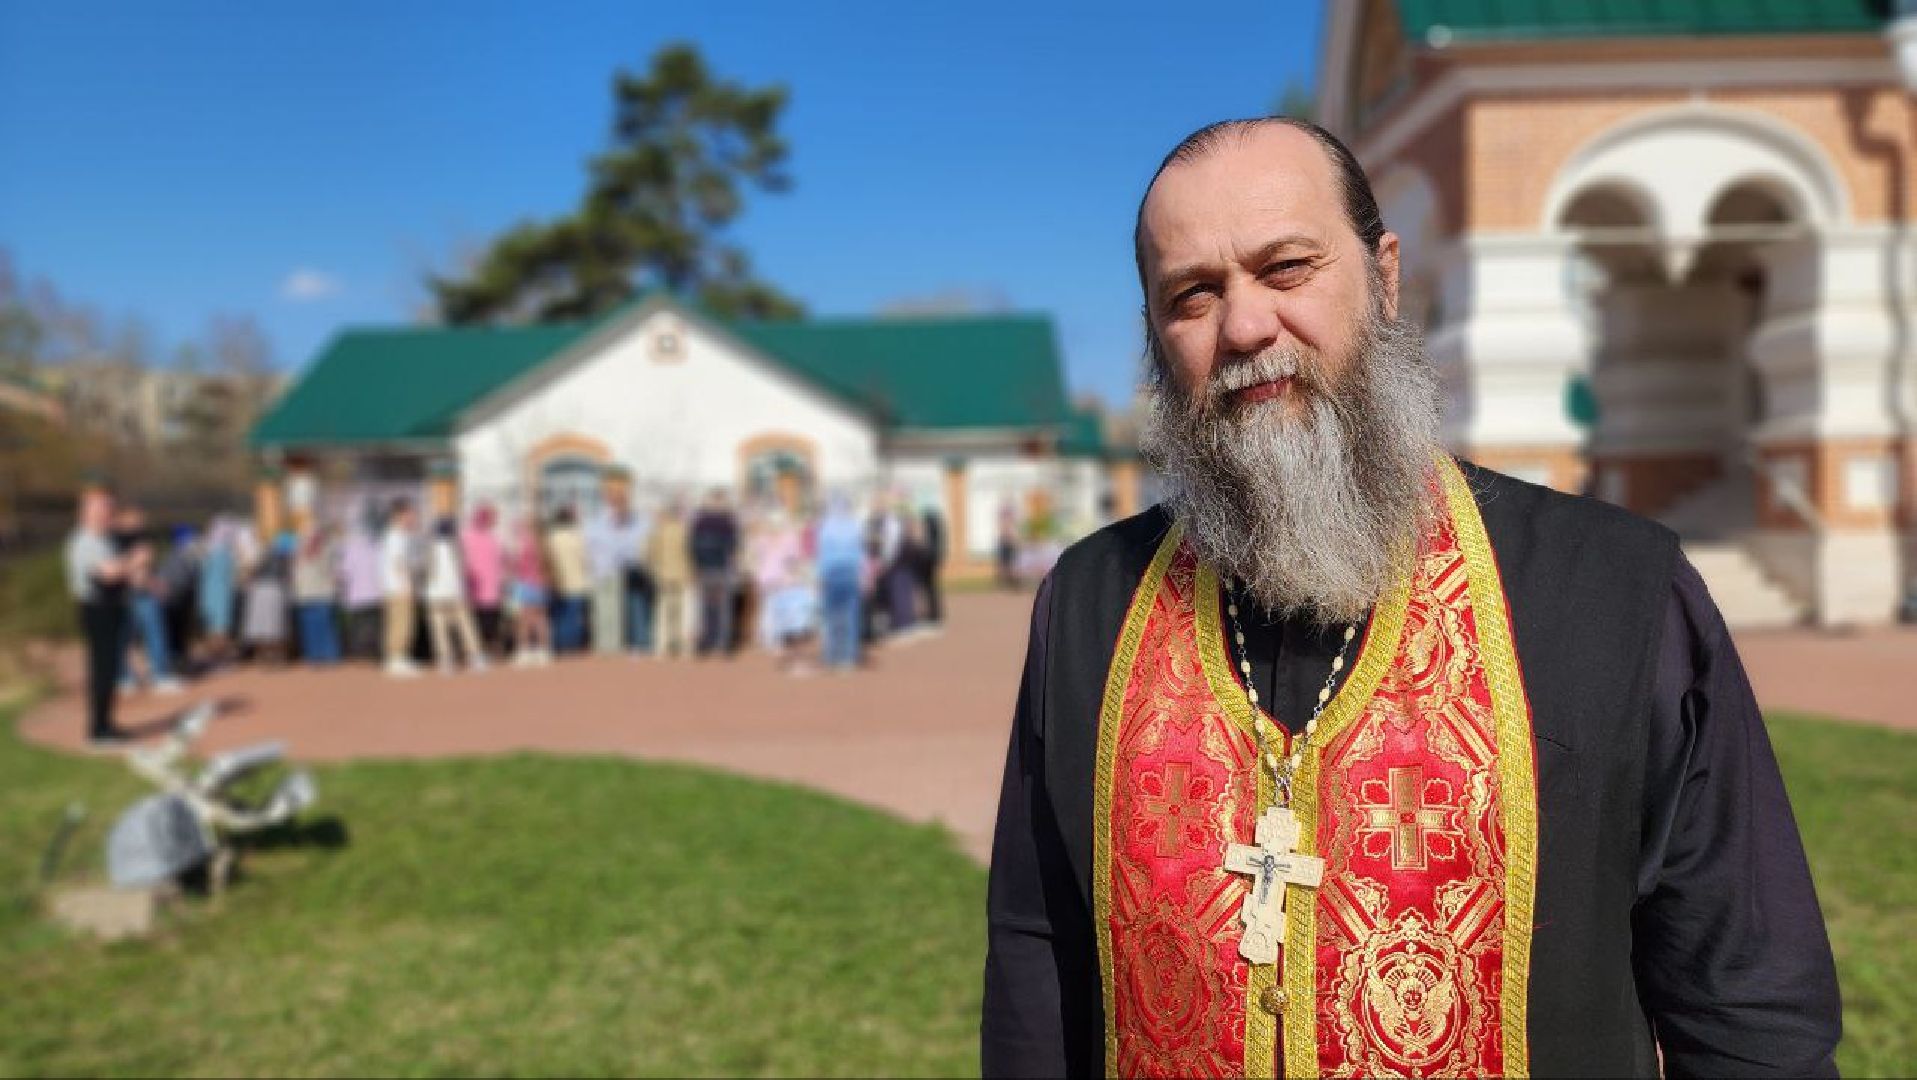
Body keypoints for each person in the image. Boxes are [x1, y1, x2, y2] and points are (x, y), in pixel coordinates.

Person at [980, 118, 1840, 1079]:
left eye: (1287, 268)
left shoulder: (1615, 590)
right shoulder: (1090, 603)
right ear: (1155, 334)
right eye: (1193, 295)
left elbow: (1747, 1004)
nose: (1246, 327)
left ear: (1383, 276)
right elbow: (1036, 951)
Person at [66, 488, 131, 745]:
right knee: (102, 668)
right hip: (96, 609)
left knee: (111, 668)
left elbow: (121, 572)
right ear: (88, 513)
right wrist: (133, 562)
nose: (109, 515)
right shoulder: (84, 542)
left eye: (110, 510)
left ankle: (107, 723)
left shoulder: (106, 540)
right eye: (104, 510)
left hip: (112, 607)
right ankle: (98, 729)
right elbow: (109, 574)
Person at [114, 504, 182, 694]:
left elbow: (146, 569)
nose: (137, 523)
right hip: (123, 595)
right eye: (132, 518)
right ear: (120, 519)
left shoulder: (143, 540)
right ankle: (124, 677)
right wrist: (136, 566)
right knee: (122, 638)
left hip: (143, 594)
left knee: (155, 632)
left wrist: (154, 583)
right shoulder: (113, 540)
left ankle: (160, 674)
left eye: (139, 519)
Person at [424, 517, 487, 674]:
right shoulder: (456, 547)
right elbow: (463, 570)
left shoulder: (430, 547)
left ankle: (446, 661)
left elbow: (425, 570)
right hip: (455, 592)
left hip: (435, 594)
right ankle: (475, 656)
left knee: (439, 628)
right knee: (465, 625)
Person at [814, 494, 866, 673]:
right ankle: (848, 656)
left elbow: (821, 553)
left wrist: (818, 576)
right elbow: (861, 552)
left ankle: (832, 655)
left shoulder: (825, 527)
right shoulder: (854, 525)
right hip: (850, 573)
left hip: (831, 574)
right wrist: (863, 575)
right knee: (850, 616)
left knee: (832, 617)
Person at [689, 489, 740, 656]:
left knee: (706, 606)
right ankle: (720, 643)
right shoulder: (728, 521)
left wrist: (695, 565)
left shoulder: (699, 521)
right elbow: (735, 546)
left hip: (706, 567)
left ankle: (707, 642)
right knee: (722, 607)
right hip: (720, 567)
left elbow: (692, 545)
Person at [585, 492, 633, 656]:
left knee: (603, 609)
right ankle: (612, 644)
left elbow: (588, 549)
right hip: (611, 571)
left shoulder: (592, 525)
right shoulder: (616, 527)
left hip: (601, 571)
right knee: (612, 610)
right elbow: (623, 550)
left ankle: (603, 644)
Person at [647, 499, 695, 659]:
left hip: (663, 575)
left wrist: (653, 569)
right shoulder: (684, 530)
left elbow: (649, 553)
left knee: (663, 612)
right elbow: (690, 553)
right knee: (682, 613)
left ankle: (661, 647)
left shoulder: (658, 531)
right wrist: (691, 570)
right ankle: (683, 648)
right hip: (682, 574)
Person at [380, 499, 422, 678]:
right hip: (397, 587)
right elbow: (398, 563)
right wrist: (406, 586)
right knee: (400, 623)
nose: (412, 518)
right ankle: (395, 658)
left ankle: (400, 657)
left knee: (403, 622)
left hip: (396, 586)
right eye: (409, 514)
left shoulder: (400, 535)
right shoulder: (395, 535)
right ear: (399, 515)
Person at [291, 521, 342, 666]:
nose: (310, 538)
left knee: (324, 627)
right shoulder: (299, 551)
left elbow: (332, 569)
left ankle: (328, 656)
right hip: (307, 595)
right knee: (311, 629)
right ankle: (315, 656)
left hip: (321, 595)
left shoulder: (327, 549)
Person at [339, 503, 386, 662]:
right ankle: (374, 652)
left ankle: (361, 652)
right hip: (375, 593)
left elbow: (344, 572)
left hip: (358, 594)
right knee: (375, 625)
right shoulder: (378, 546)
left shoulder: (351, 547)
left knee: (360, 625)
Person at [239, 526, 292, 665]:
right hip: (275, 590)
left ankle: (264, 657)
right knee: (276, 625)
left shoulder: (261, 552)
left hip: (261, 591)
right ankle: (277, 657)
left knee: (262, 626)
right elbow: (288, 576)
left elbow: (251, 571)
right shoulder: (284, 555)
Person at [506, 514, 553, 667]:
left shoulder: (525, 542)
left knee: (525, 620)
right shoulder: (544, 542)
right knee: (541, 619)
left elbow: (516, 564)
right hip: (541, 584)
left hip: (527, 584)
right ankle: (544, 651)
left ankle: (524, 651)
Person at [544, 506, 591, 654]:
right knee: (573, 618)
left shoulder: (549, 538)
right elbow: (585, 560)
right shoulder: (577, 538)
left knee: (557, 618)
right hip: (576, 583)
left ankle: (558, 646)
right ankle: (571, 646)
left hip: (556, 583)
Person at [461, 503, 506, 657]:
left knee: (492, 621)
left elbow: (501, 560)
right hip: (475, 587)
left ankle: (491, 649)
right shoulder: (467, 535)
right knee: (477, 621)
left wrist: (502, 580)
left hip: (493, 587)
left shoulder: (494, 537)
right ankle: (479, 650)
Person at [195, 515, 239, 666]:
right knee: (220, 630)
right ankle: (219, 660)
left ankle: (216, 659)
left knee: (213, 629)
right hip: (220, 595)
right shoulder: (224, 552)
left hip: (209, 595)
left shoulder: (208, 549)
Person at [918, 504, 946, 628]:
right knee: (932, 587)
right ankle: (935, 613)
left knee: (929, 588)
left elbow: (926, 544)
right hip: (933, 559)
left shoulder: (930, 527)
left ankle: (934, 614)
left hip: (929, 559)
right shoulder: (938, 526)